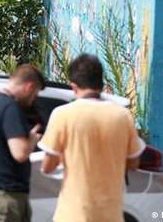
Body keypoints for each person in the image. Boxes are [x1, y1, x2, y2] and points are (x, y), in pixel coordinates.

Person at [39, 54, 145, 222]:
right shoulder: (123, 116)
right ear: (101, 84)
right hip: (111, 214)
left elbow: (47, 166)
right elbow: (133, 163)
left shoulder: (63, 115)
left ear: (73, 86)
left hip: (73, 214)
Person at [0, 64, 45, 222]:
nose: (34, 99)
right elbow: (20, 153)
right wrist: (32, 140)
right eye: (35, 94)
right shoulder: (10, 108)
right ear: (29, 87)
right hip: (5, 196)